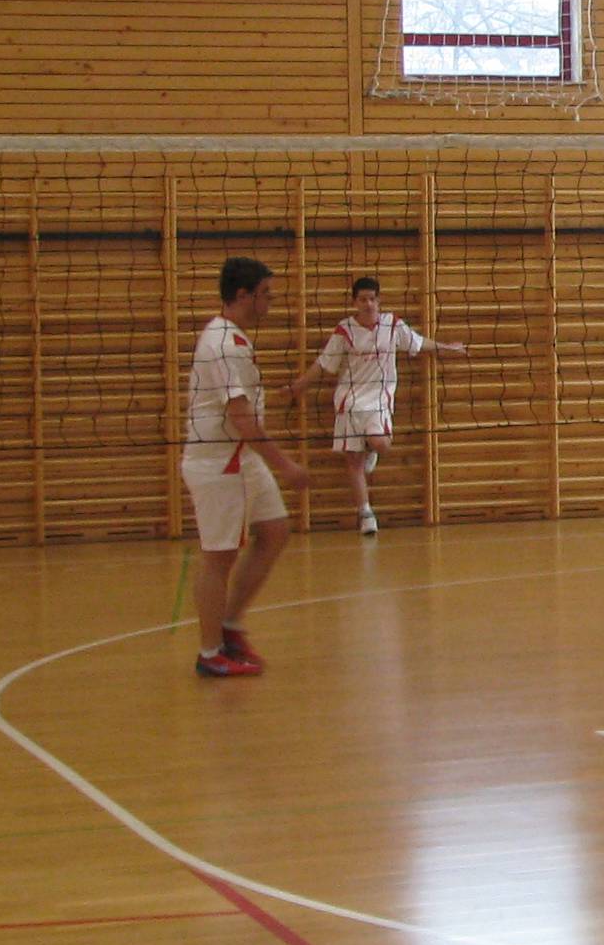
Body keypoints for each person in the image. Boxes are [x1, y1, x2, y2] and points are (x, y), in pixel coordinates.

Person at [184, 258, 308, 680]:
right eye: (265, 295)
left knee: (274, 531)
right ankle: (209, 652)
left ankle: (230, 625)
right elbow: (240, 418)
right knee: (219, 558)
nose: (271, 302)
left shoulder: (233, 338)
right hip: (220, 462)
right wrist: (286, 466)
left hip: (241, 457)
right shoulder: (223, 344)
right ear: (243, 295)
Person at [286, 276, 464, 535]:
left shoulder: (392, 325)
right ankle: (366, 514)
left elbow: (418, 342)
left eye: (372, 299)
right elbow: (323, 364)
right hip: (348, 402)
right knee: (354, 462)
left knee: (380, 443)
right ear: (354, 302)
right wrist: (299, 386)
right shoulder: (344, 330)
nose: (368, 304)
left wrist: (447, 348)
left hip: (378, 401)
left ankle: (372, 449)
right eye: (362, 299)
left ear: (379, 300)